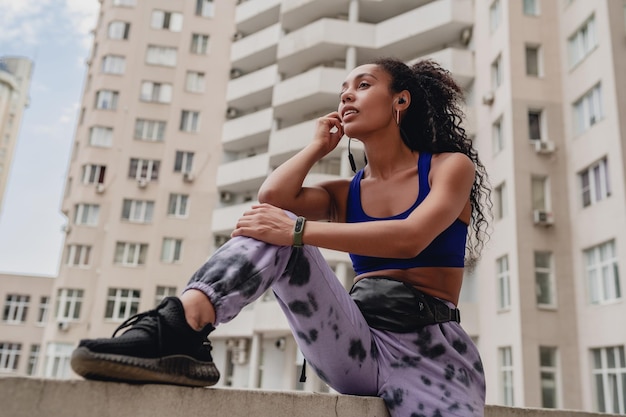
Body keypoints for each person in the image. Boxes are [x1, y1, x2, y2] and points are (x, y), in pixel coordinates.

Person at [71, 57, 491, 417]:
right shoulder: (347, 191)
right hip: (354, 341)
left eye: (363, 86)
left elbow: (410, 238)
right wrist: (314, 149)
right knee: (274, 224)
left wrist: (298, 231)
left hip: (431, 353)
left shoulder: (447, 166)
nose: (346, 95)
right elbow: (272, 197)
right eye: (343, 89)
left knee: (284, 228)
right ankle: (180, 328)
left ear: (401, 100)